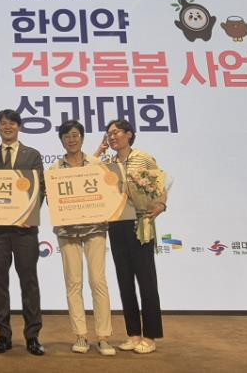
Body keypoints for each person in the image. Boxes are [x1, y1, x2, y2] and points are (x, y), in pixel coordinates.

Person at [0, 109, 45, 356]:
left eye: (12, 123)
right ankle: (2, 335)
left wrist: (30, 214)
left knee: (29, 282)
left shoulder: (33, 155)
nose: (7, 127)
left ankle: (33, 336)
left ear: (19, 127)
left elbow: (40, 189)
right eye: (3, 123)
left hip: (25, 232)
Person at [50, 120, 115, 356]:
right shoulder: (54, 170)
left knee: (98, 280)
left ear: (82, 138)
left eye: (75, 135)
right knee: (73, 282)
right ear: (61, 140)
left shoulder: (97, 164)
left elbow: (109, 192)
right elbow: (52, 200)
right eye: (67, 136)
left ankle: (104, 337)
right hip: (67, 232)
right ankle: (80, 335)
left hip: (95, 228)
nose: (71, 139)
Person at [103, 119, 167, 354]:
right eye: (109, 134)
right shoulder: (108, 163)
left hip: (141, 223)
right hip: (116, 224)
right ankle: (133, 334)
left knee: (146, 280)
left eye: (116, 132)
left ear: (129, 134)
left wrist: (161, 205)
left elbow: (160, 187)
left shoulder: (143, 158)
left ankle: (150, 336)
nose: (112, 137)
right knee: (124, 281)